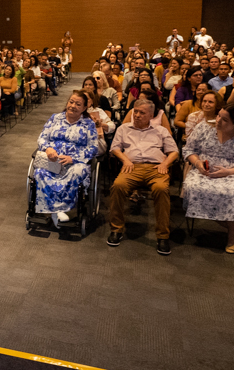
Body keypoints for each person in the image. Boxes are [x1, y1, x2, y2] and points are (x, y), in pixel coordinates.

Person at [182, 103, 234, 253]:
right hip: (206, 171)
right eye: (218, 115)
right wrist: (197, 162)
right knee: (194, 187)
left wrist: (228, 172)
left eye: (225, 119)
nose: (218, 121)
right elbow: (189, 150)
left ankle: (233, 237)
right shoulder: (204, 128)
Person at [107, 99, 180, 255]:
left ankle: (162, 236)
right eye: (135, 111)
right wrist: (125, 159)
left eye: (142, 112)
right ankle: (116, 229)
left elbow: (174, 151)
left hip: (156, 168)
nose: (137, 115)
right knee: (118, 186)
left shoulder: (160, 130)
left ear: (151, 115)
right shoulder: (124, 128)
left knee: (161, 189)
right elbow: (114, 148)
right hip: (131, 166)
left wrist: (165, 164)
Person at [34, 91, 99, 227]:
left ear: (84, 107)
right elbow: (42, 138)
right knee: (40, 173)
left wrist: (73, 158)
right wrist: (48, 149)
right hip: (52, 159)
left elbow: (93, 148)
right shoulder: (55, 118)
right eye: (71, 102)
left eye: (78, 104)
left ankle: (58, 210)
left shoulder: (89, 124)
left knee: (76, 173)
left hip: (75, 162)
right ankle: (58, 211)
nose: (73, 106)